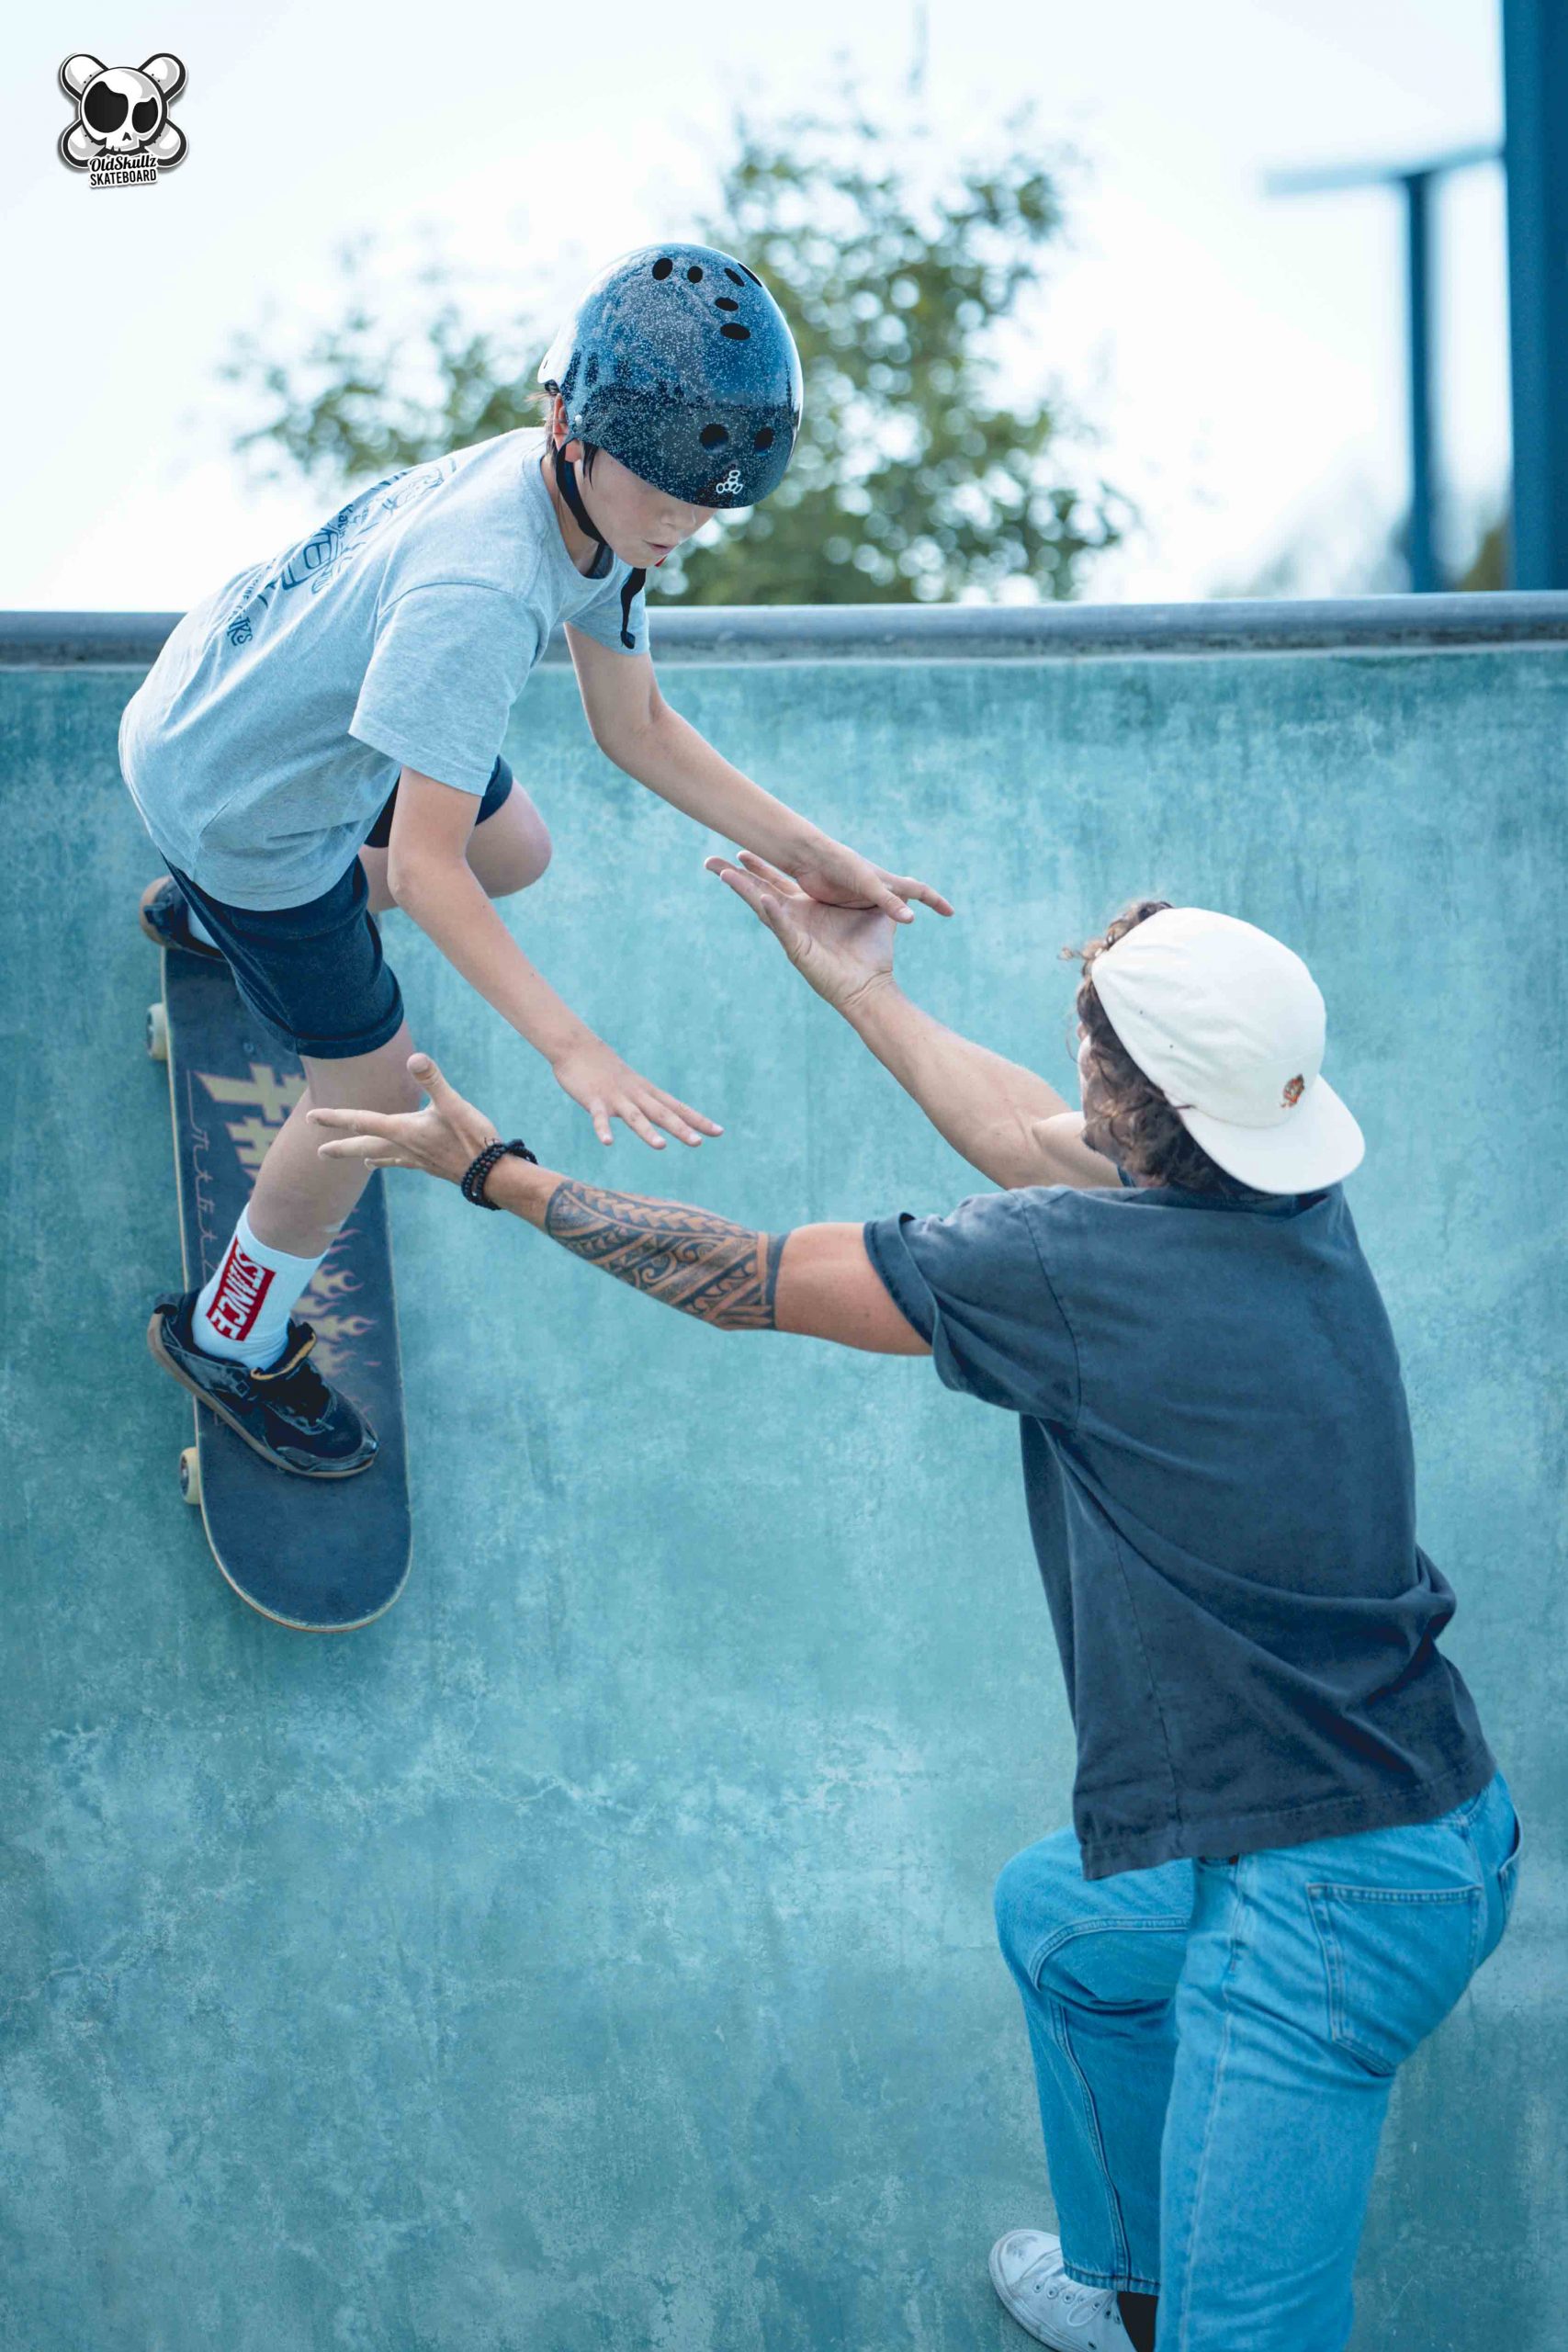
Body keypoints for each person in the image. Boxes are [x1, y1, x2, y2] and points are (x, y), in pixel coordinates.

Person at [309, 867, 1519, 2352]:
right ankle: (1128, 2288)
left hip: (1325, 1901)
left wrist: (496, 1169)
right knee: (1065, 1924)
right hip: (1439, 1813)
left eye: (1092, 1055)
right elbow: (1026, 1137)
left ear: (1140, 1105)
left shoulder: (1073, 1268)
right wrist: (860, 985)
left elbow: (745, 1277)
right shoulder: (1281, 1197)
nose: (1072, 1071)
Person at [120, 243, 950, 1479]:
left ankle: (227, 917)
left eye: (709, 500)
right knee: (373, 1095)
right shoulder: (482, 585)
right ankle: (229, 1337)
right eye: (664, 492)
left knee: (521, 847)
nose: (681, 524)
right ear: (570, 428)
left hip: (259, 704)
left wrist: (826, 859)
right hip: (243, 801)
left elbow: (638, 729)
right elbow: (428, 878)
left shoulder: (595, 510)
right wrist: (575, 1048)